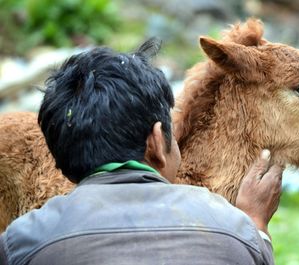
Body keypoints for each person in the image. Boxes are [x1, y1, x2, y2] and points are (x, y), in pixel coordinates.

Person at [0, 39, 284, 265]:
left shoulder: (21, 242)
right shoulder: (234, 228)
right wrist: (256, 223)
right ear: (157, 141)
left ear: (60, 157)